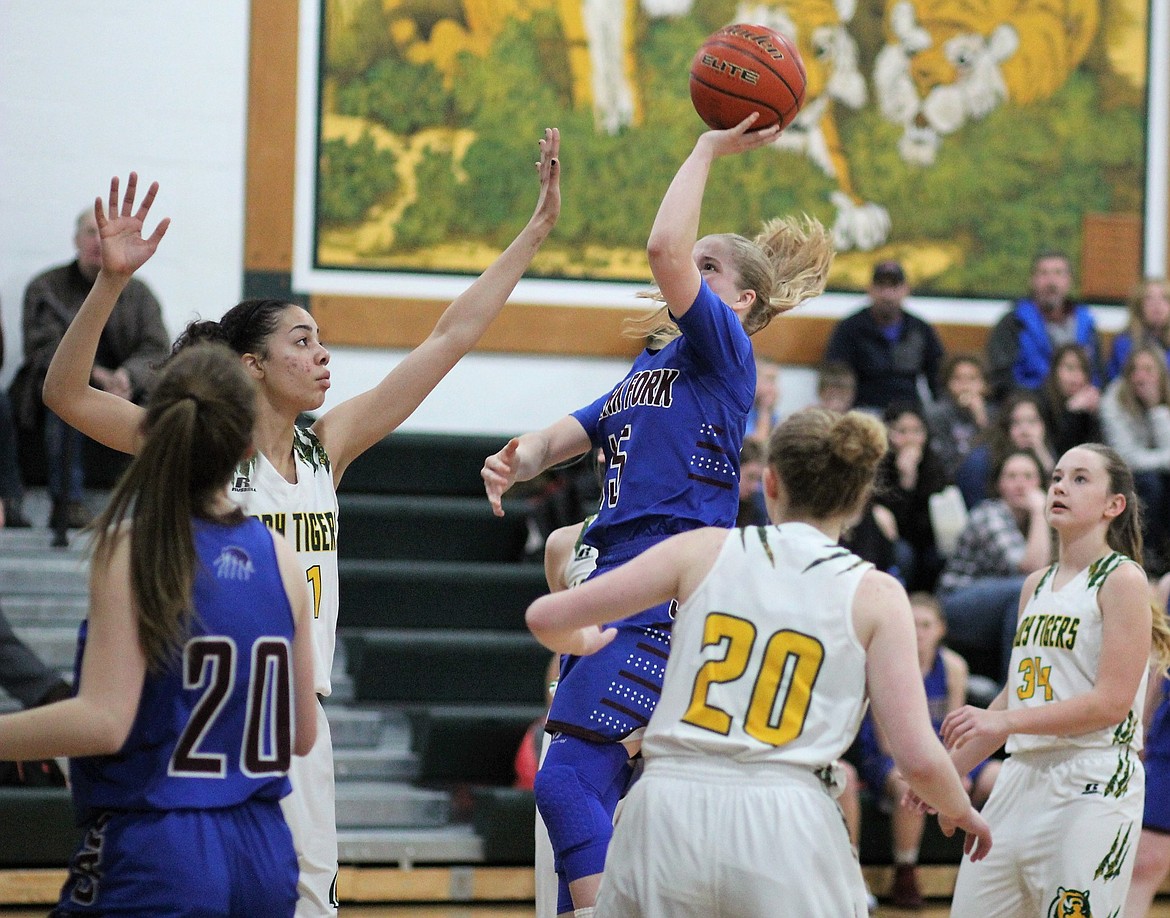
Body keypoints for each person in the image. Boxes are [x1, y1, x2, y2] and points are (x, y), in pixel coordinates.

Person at [42, 134, 561, 918]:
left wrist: (533, 236)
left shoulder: (329, 446)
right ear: (251, 362)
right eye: (302, 340)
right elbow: (68, 396)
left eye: (321, 339)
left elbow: (450, 336)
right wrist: (112, 284)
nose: (323, 356)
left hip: (294, 720)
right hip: (203, 716)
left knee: (308, 906)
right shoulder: (198, 446)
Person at [482, 114, 834, 916]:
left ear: (741, 300)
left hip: (657, 584)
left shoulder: (724, 352)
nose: (690, 270)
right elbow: (578, 430)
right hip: (620, 580)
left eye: (712, 267)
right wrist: (522, 455)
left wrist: (709, 147)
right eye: (697, 261)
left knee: (566, 776)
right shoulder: (652, 366)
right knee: (616, 802)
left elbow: (662, 251)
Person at [524, 407, 992, 917]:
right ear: (860, 501)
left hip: (667, 805)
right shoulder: (877, 593)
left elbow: (546, 617)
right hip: (782, 809)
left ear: (769, 482)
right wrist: (960, 809)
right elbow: (918, 757)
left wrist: (585, 641)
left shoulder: (702, 551)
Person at [0, 343, 317, 915]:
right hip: (265, 850)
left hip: (161, 846)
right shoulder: (280, 555)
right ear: (245, 448)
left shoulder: (134, 543)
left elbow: (102, 722)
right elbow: (300, 734)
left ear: (148, 429)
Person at [942, 443, 1170, 918]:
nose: (1061, 486)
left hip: (1093, 777)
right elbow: (1014, 696)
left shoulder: (1122, 579)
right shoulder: (1035, 584)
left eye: (1080, 478)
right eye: (1058, 477)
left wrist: (1003, 726)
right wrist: (942, 776)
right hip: (1021, 778)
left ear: (1114, 505)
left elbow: (1109, 704)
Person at [19, 206, 170, 530]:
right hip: (60, 389)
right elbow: (42, 350)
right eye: (91, 232)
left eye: (103, 233)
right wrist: (97, 378)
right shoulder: (46, 286)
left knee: (170, 406)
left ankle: (155, 507)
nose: (100, 241)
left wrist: (127, 376)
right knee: (65, 405)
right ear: (75, 239)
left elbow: (156, 348)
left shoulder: (140, 294)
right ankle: (68, 503)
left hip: (128, 389)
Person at [853, 592, 1001, 909]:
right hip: (891, 756)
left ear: (941, 630)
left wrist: (952, 769)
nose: (919, 632)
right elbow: (886, 741)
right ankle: (905, 872)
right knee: (913, 782)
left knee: (1002, 776)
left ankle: (997, 865)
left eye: (926, 624)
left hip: (941, 753)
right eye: (913, 624)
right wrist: (937, 776)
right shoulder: (883, 662)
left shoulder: (953, 667)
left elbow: (956, 732)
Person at [937, 449, 1052, 683]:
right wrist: (1040, 512)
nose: (1021, 484)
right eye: (1012, 477)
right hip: (956, 604)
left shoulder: (1043, 519)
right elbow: (1030, 568)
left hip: (999, 606)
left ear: (1040, 482)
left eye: (1028, 476)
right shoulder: (990, 513)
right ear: (999, 484)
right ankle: (1014, 691)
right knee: (1026, 588)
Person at [822, 259, 944, 413]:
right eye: (881, 286)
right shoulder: (850, 328)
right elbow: (836, 373)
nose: (887, 294)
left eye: (894, 286)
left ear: (906, 289)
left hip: (909, 413)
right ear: (870, 289)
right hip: (863, 410)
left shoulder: (920, 329)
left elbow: (938, 377)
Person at [985, 250, 1104, 402]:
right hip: (1030, 409)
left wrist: (1091, 396)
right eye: (1044, 273)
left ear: (1069, 281)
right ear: (1032, 280)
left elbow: (1098, 375)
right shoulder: (1014, 323)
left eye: (1058, 273)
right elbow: (1001, 380)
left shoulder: (1087, 323)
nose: (1051, 281)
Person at [1099, 346, 1170, 576]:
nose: (1141, 377)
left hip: (1158, 470)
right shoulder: (1114, 398)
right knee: (1151, 483)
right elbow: (1126, 458)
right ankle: (1145, 553)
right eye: (1135, 370)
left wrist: (1155, 407)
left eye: (1148, 370)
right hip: (1125, 475)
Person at [875, 402, 949, 592]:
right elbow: (896, 525)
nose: (910, 439)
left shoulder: (934, 465)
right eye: (902, 431)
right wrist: (906, 482)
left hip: (927, 539)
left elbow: (933, 518)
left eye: (917, 431)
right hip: (893, 541)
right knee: (903, 554)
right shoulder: (879, 466)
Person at [955, 390, 1055, 510]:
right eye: (1016, 422)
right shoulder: (980, 462)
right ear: (1006, 427)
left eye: (1032, 421)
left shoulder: (1045, 453)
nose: (1025, 430)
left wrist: (1045, 459)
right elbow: (977, 511)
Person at [927, 353, 993, 482]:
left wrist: (981, 417)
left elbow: (997, 452)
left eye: (972, 379)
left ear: (984, 385)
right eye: (958, 379)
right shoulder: (937, 414)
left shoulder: (993, 413)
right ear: (947, 383)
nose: (965, 385)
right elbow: (942, 459)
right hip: (950, 479)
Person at [1037, 342, 1102, 457]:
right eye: (1070, 368)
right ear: (1055, 371)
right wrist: (1071, 412)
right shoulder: (1040, 402)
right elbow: (1059, 454)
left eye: (1082, 370)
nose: (1077, 377)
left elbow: (1096, 451)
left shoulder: (1088, 404)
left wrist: (1094, 415)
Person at [1107, 278, 1170, 384]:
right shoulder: (1124, 343)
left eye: (1164, 298)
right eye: (1149, 298)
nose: (1157, 304)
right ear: (1139, 306)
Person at [745, 356, 782, 440]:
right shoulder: (739, 414)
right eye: (769, 379)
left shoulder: (773, 415)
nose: (774, 388)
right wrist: (764, 410)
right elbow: (755, 448)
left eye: (775, 381)